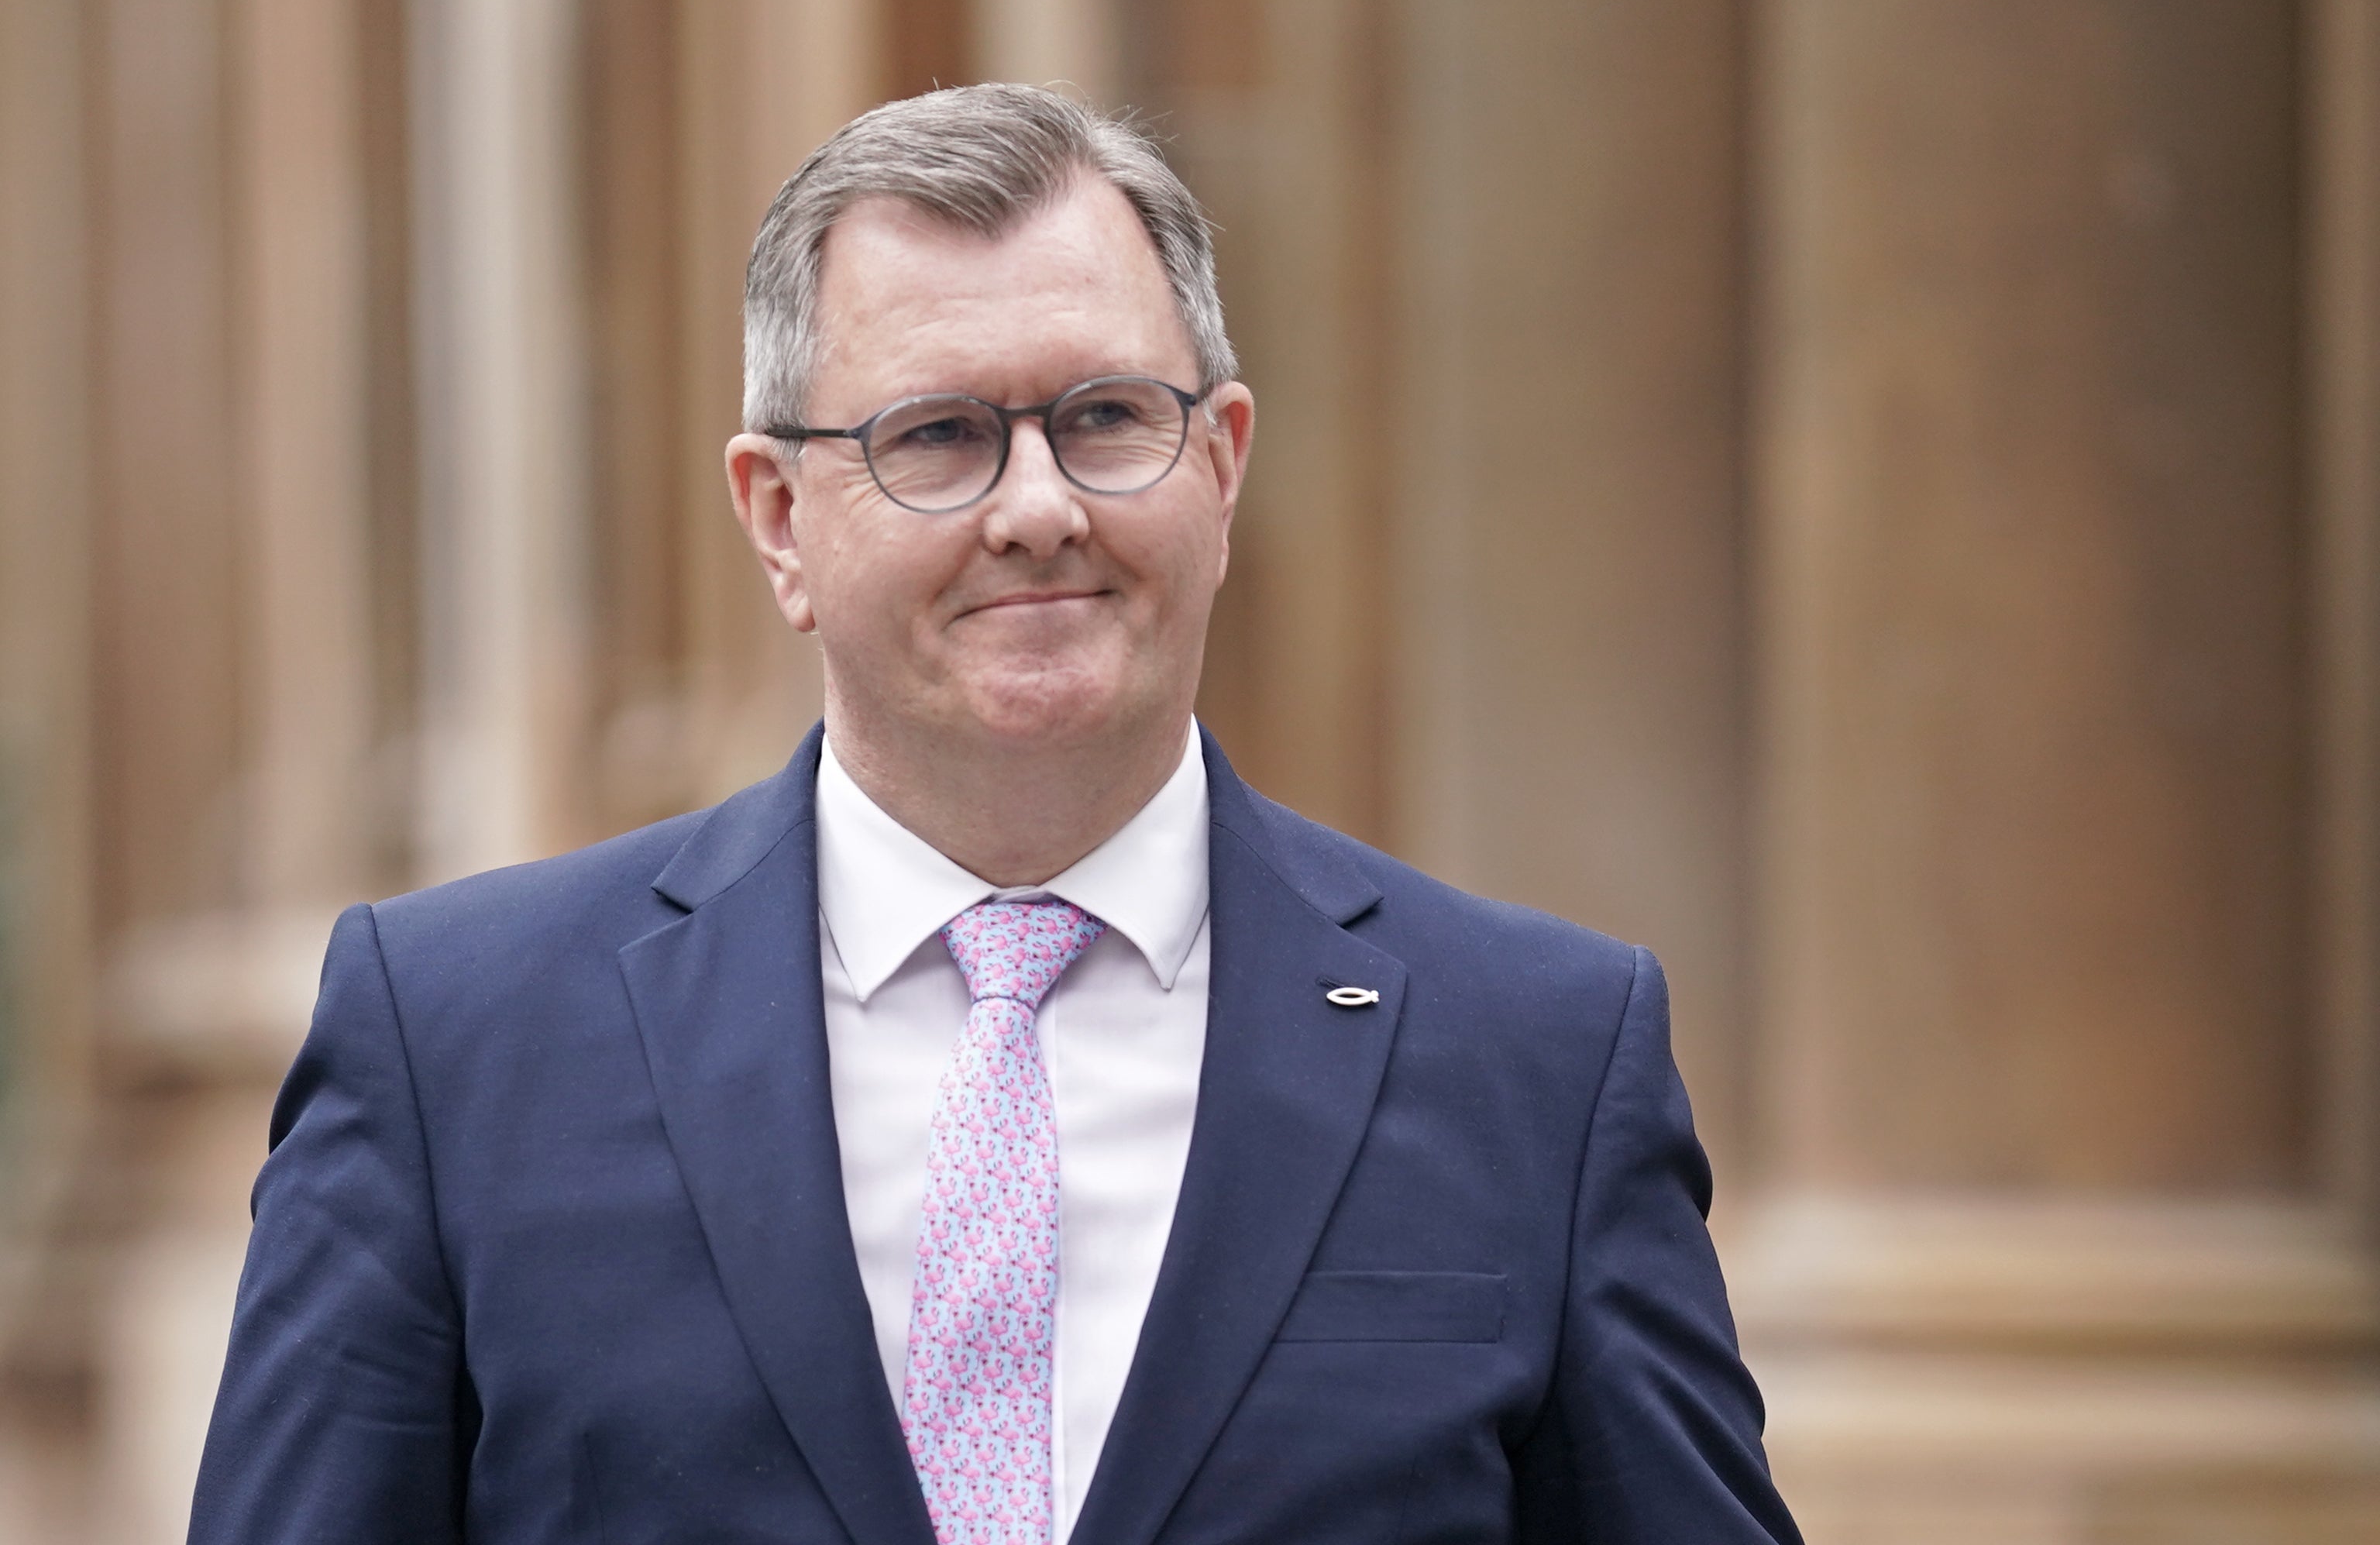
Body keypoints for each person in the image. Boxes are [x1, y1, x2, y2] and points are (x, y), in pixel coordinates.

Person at [189, 83, 1801, 1545]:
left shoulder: (1540, 1054)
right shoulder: (459, 1046)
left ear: (1221, 466)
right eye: (938, 436)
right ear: (779, 519)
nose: (1037, 509)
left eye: (1105, 417)